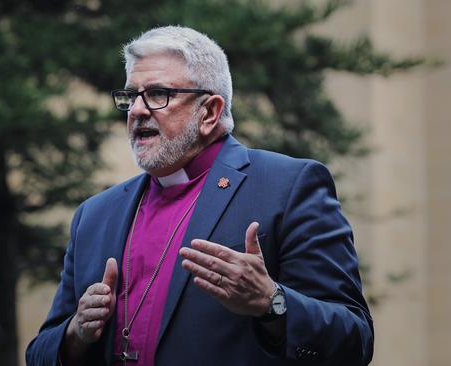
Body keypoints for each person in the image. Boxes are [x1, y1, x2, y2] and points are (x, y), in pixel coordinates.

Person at [26, 26, 373, 366]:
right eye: (131, 96)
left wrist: (272, 302)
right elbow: (39, 352)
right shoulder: (95, 215)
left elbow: (354, 341)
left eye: (158, 94)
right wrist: (74, 334)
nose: (136, 111)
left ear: (209, 112)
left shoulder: (287, 186)